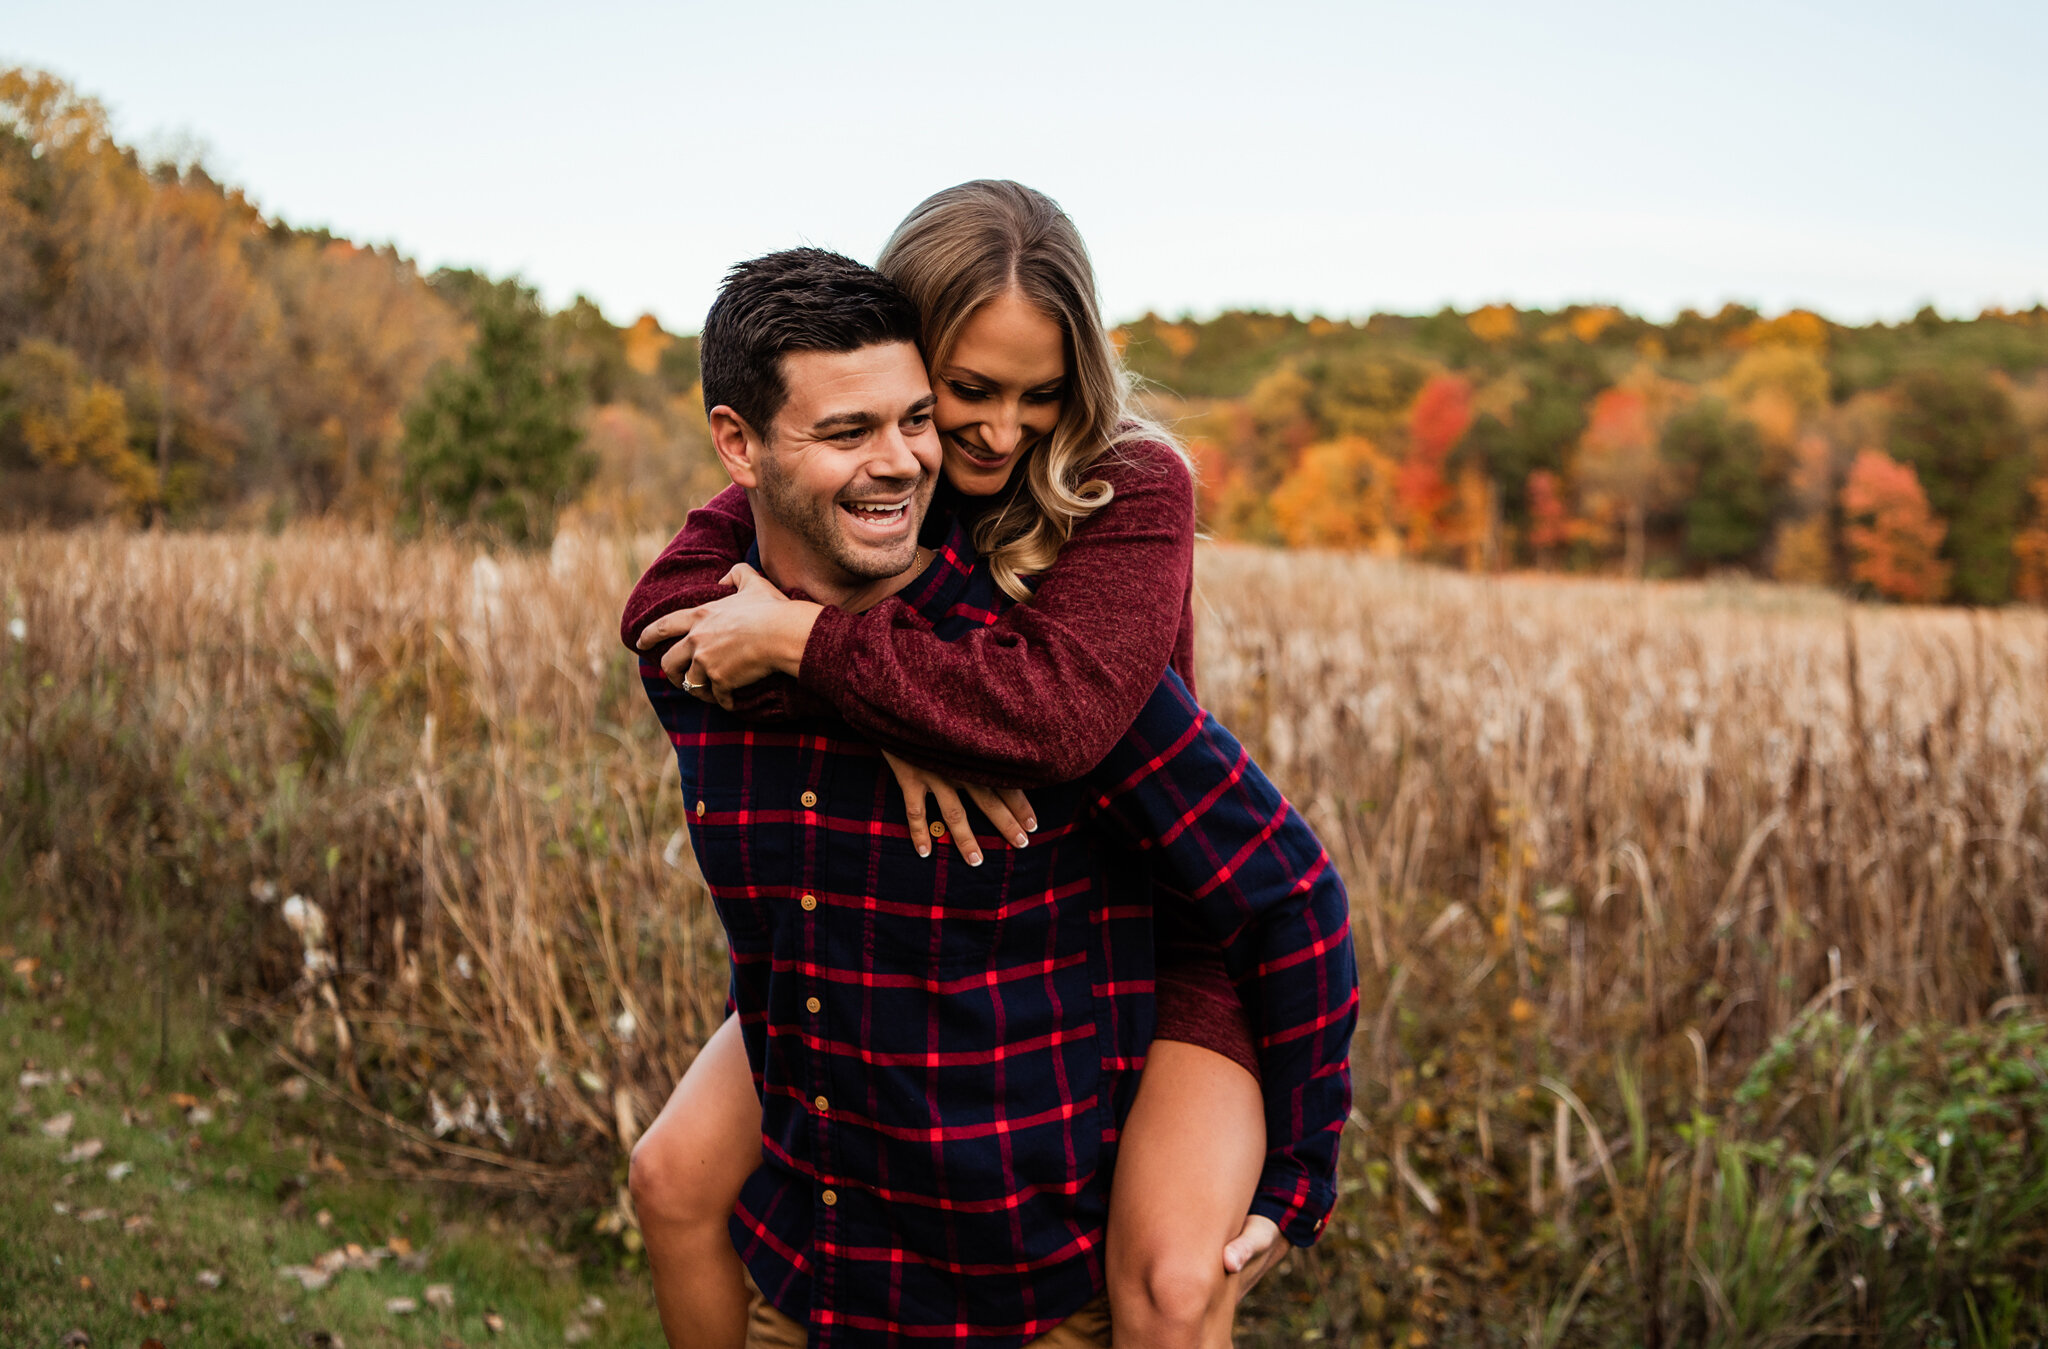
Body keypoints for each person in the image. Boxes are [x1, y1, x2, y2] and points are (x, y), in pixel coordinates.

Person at [630, 245, 1355, 1349]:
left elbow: (1260, 869)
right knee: (670, 1171)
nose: (982, 436)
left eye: (916, 418)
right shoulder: (726, 617)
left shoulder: (1049, 620)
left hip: (1167, 923)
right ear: (740, 444)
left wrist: (1300, 1167)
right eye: (962, 395)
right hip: (853, 1169)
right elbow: (664, 612)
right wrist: (866, 689)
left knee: (1171, 1280)